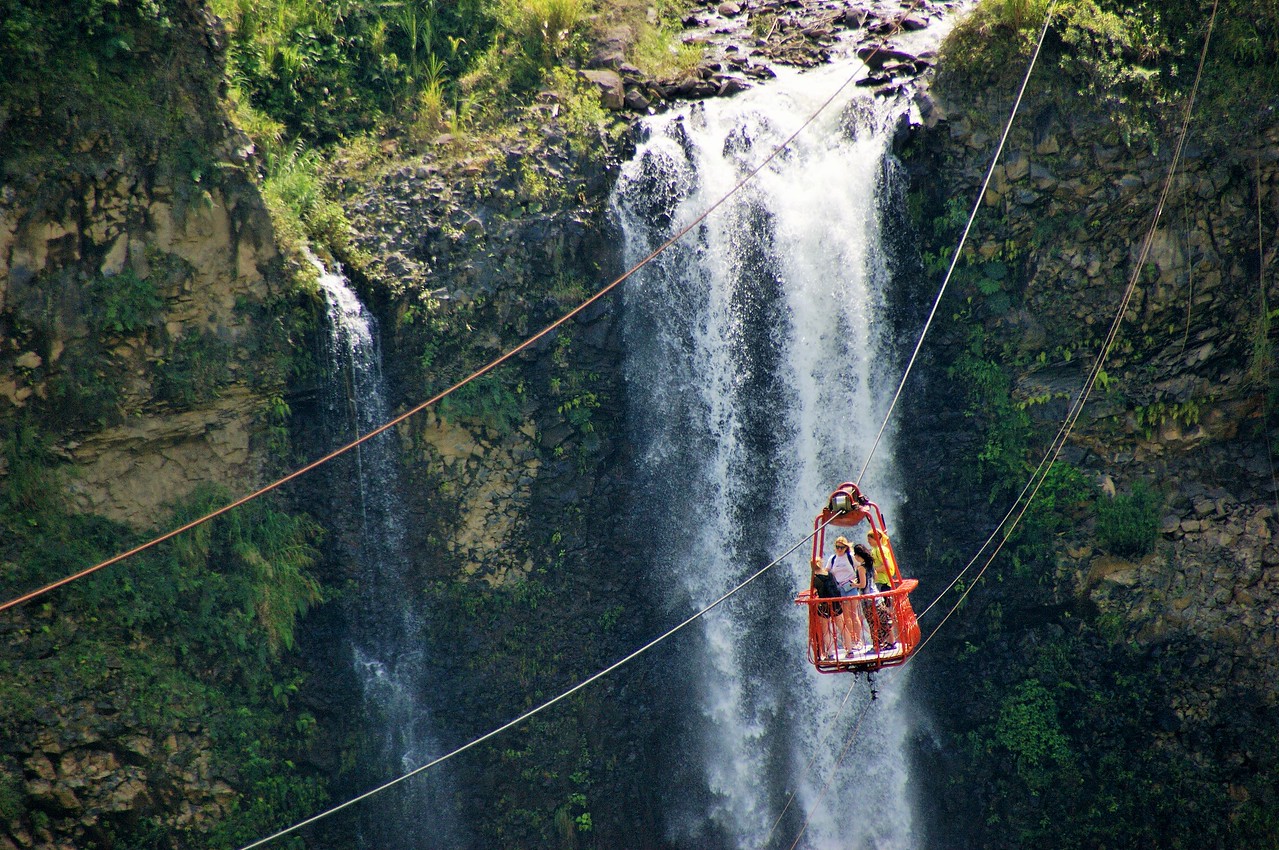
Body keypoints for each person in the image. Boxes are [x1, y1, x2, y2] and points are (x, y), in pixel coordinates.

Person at [828, 536, 870, 649]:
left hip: (851, 587)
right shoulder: (832, 559)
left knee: (853, 614)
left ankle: (858, 639)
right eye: (837, 547)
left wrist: (860, 580)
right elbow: (827, 572)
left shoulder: (851, 557)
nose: (839, 549)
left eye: (842, 547)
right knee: (846, 616)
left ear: (846, 547)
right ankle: (850, 639)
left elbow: (863, 566)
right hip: (840, 589)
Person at [809, 558, 854, 658]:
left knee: (826, 630)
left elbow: (813, 591)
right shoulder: (829, 574)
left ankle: (830, 654)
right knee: (843, 627)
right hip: (835, 603)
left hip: (823, 604)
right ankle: (850, 651)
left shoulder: (814, 577)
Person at [865, 529, 901, 647]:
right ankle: (887, 641)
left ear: (876, 539)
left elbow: (887, 565)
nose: (868, 541)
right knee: (882, 613)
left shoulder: (880, 550)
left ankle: (891, 641)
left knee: (884, 613)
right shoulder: (877, 549)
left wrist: (873, 571)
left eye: (870, 538)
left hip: (883, 584)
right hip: (880, 583)